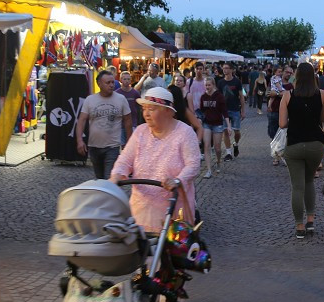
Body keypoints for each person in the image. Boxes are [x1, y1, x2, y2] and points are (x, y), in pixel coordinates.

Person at [110, 87, 200, 234]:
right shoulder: (140, 131)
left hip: (173, 212)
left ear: (168, 111)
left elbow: (193, 165)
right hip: (141, 211)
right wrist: (117, 175)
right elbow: (125, 159)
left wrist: (178, 180)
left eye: (151, 109)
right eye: (144, 109)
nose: (146, 114)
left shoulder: (185, 133)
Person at [279, 62, 324, 239]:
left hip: (294, 144)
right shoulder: (321, 94)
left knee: (297, 186)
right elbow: (323, 119)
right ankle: (311, 220)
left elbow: (282, 124)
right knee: (309, 181)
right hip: (316, 144)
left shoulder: (287, 95)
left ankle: (299, 226)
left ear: (297, 76)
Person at [75, 70, 133, 180]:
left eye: (112, 82)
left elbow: (128, 121)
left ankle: (110, 195)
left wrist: (129, 143)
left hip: (112, 146)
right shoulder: (90, 100)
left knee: (108, 178)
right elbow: (82, 120)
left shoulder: (121, 99)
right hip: (94, 146)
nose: (111, 85)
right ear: (99, 84)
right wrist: (79, 140)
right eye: (108, 83)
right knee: (99, 178)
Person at [216, 63, 246, 160]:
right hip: (224, 111)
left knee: (237, 132)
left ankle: (236, 144)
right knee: (225, 131)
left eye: (227, 68)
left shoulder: (237, 82)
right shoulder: (220, 82)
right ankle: (228, 153)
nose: (225, 70)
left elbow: (241, 96)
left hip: (235, 109)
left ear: (232, 70)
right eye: (223, 68)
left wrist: (243, 111)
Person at [199, 76, 227, 177]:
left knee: (217, 147)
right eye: (206, 85)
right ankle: (209, 170)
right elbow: (202, 110)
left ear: (213, 85)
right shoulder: (203, 97)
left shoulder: (219, 96)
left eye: (209, 85)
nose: (207, 87)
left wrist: (228, 125)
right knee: (206, 145)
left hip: (218, 123)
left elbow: (224, 111)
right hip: (207, 123)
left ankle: (218, 161)